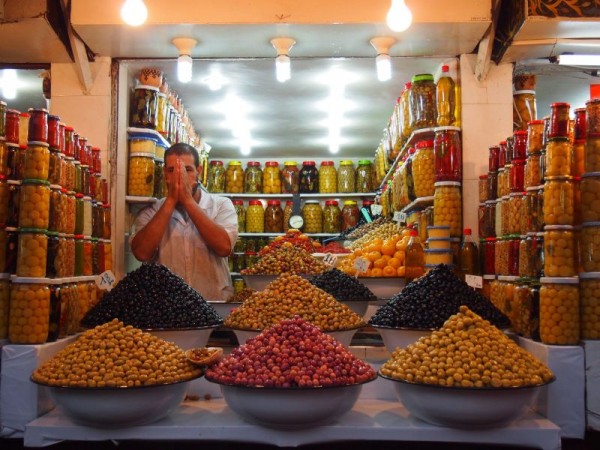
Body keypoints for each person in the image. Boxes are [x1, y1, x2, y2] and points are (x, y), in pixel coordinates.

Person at [130, 143, 238, 300]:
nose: (180, 177)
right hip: (166, 306)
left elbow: (224, 247)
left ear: (198, 172)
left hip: (213, 301)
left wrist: (187, 200)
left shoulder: (221, 204)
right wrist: (171, 200)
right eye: (171, 171)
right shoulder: (152, 210)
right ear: (165, 174)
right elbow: (141, 252)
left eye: (187, 170)